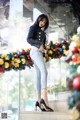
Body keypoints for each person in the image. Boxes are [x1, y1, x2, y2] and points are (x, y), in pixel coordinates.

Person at [27, 14, 54, 112]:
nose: (42, 23)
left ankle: (38, 100)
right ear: (38, 19)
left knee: (39, 75)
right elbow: (28, 39)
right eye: (42, 20)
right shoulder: (33, 27)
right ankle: (44, 97)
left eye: (44, 22)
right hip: (35, 51)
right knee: (44, 72)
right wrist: (39, 45)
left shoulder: (43, 33)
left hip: (39, 52)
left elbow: (43, 46)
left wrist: (45, 52)